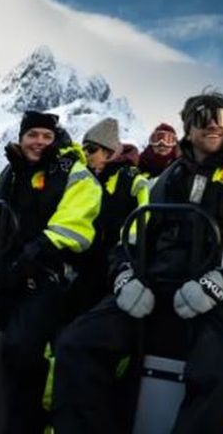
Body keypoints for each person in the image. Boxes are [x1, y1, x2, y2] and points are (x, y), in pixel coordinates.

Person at [52, 92, 223, 434]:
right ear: (187, 126)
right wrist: (125, 276)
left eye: (220, 116)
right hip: (157, 284)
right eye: (201, 116)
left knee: (221, 371)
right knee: (76, 344)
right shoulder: (166, 179)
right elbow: (132, 239)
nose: (212, 123)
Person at [0, 110, 102, 433]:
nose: (39, 142)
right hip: (2, 274)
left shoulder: (76, 174)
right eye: (32, 135)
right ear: (21, 138)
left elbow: (73, 227)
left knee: (21, 347)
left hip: (50, 277)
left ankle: (28, 424)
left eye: (46, 136)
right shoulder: (5, 175)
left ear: (55, 139)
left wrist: (31, 255)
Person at [78, 118, 150, 311]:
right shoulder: (84, 179)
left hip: (116, 264)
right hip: (84, 261)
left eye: (91, 149)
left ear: (109, 152)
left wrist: (124, 257)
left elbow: (141, 221)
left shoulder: (132, 180)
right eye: (84, 149)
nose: (85, 154)